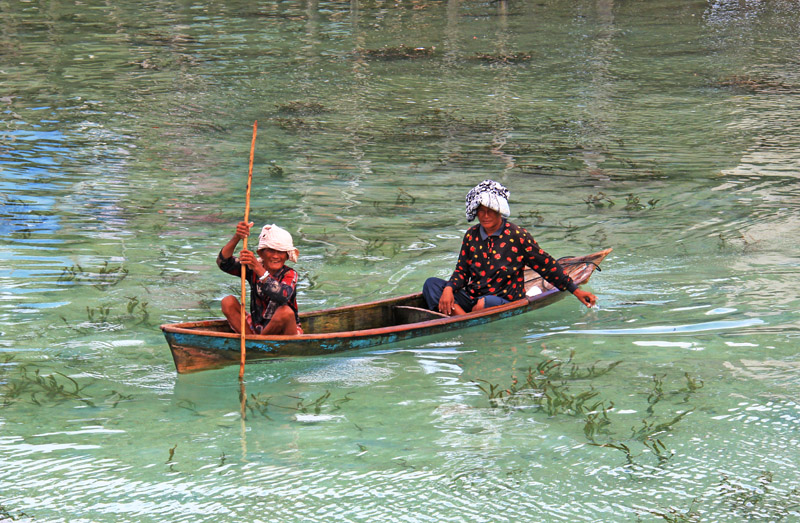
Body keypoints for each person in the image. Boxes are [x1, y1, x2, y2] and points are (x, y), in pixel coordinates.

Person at [423, 179, 597, 316]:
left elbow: (547, 266)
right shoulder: (471, 235)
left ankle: (459, 318)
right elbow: (461, 271)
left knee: (484, 304)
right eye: (481, 211)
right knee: (431, 285)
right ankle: (462, 318)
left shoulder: (517, 236)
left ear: (499, 211)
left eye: (490, 211)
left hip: (504, 299)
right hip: (473, 296)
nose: (485, 216)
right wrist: (448, 289)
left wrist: (576, 291)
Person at [217, 221, 302, 335]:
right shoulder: (252, 269)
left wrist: (258, 268)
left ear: (286, 256)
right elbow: (223, 262)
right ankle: (250, 340)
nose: (276, 256)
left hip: (285, 331)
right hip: (257, 327)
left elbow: (282, 296)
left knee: (286, 312)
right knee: (228, 302)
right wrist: (237, 236)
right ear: (261, 253)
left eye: (281, 252)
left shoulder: (290, 274)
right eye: (271, 250)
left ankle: (258, 342)